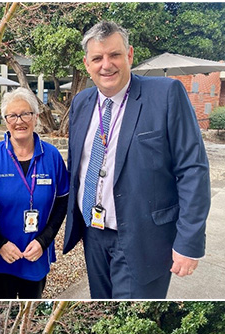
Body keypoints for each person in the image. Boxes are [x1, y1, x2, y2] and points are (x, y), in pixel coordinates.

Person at [63, 21, 210, 299]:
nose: (106, 65)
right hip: (93, 236)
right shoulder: (81, 102)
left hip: (144, 239)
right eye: (97, 58)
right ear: (86, 64)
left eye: (114, 55)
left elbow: (193, 169)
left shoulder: (166, 95)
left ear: (129, 55)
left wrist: (188, 242)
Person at [0, 88, 69, 299]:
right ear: (5, 120)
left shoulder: (52, 156)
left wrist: (44, 241)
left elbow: (62, 201)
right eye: (12, 115)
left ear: (36, 117)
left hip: (35, 255)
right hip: (1, 256)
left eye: (25, 114)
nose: (19, 121)